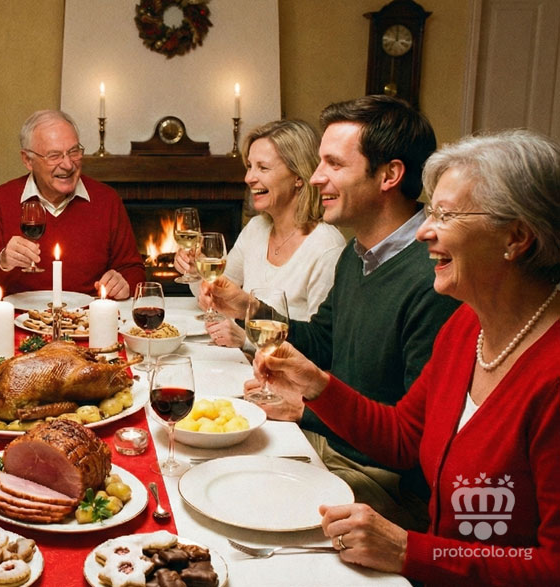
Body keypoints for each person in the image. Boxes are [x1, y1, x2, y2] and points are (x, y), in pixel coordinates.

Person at [252, 129, 560, 584]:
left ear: (516, 237)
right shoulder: (465, 328)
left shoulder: (550, 374)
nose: (424, 231)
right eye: (430, 211)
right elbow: (403, 437)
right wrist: (315, 384)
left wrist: (406, 549)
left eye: (446, 215)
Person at [202, 95, 461, 530]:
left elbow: (417, 444)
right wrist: (249, 307)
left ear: (389, 175)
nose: (317, 176)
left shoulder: (435, 277)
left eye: (334, 164)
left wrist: (306, 410)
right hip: (330, 442)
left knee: (228, 501)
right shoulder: (358, 254)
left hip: (381, 481)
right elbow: (324, 342)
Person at [173, 119, 344, 348]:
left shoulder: (326, 246)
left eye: (263, 168)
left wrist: (246, 341)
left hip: (286, 376)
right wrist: (196, 273)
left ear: (299, 177)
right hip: (247, 364)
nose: (249, 178)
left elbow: (322, 346)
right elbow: (218, 298)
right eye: (249, 166)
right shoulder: (256, 229)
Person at [0, 110, 144, 299]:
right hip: (17, 321)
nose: (68, 165)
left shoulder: (106, 200)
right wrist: (2, 260)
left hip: (87, 322)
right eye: (54, 156)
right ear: (28, 160)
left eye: (74, 152)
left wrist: (124, 282)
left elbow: (133, 270)